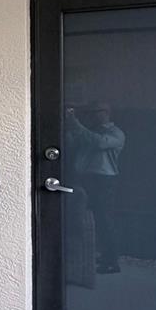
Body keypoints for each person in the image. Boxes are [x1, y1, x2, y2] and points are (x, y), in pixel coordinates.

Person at [65, 102, 126, 274]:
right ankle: (98, 255)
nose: (92, 116)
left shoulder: (116, 134)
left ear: (106, 113)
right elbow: (73, 142)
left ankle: (112, 260)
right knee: (84, 217)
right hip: (87, 178)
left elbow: (98, 143)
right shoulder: (89, 131)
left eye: (95, 112)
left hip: (104, 181)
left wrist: (74, 122)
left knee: (104, 219)